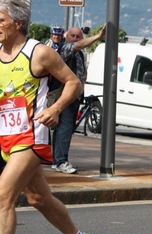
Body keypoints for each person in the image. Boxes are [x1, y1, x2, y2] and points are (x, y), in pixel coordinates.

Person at [0, 1, 99, 234]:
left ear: (18, 23)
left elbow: (73, 82)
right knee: (38, 197)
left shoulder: (39, 53)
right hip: (6, 136)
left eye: (1, 20)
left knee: (3, 196)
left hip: (32, 135)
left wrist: (55, 108)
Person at [50, 25, 106, 174]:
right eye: (72, 36)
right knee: (64, 128)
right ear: (66, 37)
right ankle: (60, 161)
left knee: (64, 129)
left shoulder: (79, 54)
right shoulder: (66, 49)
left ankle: (58, 159)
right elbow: (78, 46)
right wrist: (97, 37)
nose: (75, 39)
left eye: (78, 36)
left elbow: (82, 73)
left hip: (74, 97)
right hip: (65, 96)